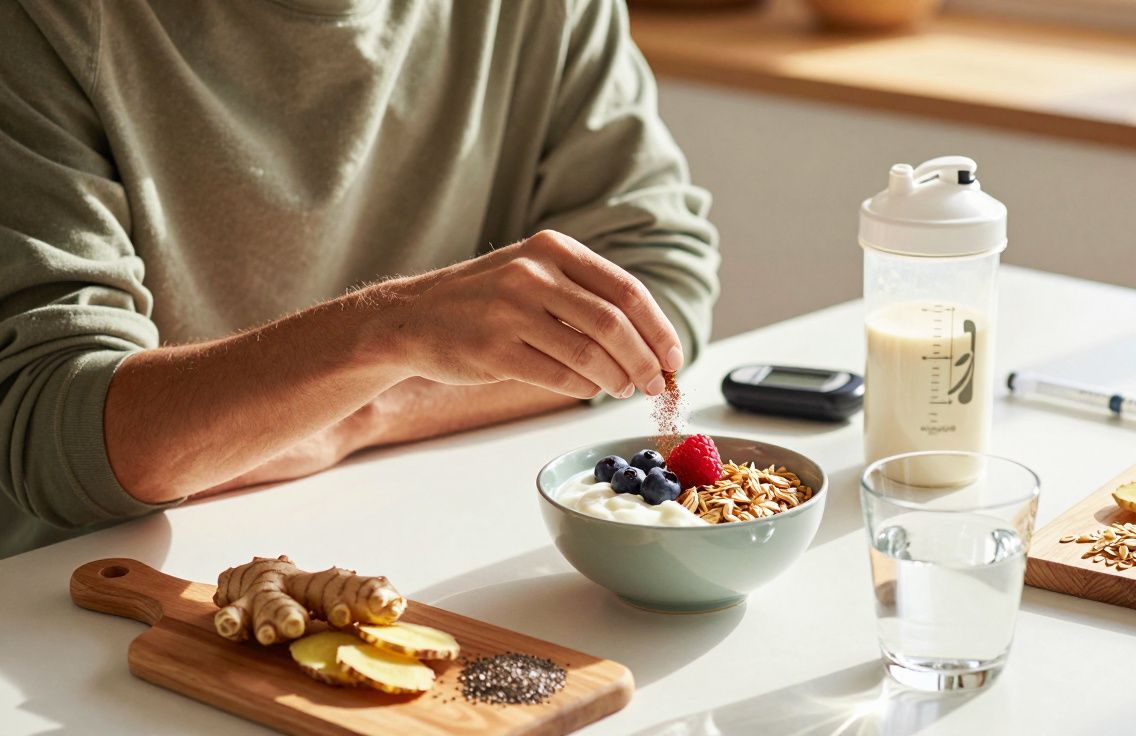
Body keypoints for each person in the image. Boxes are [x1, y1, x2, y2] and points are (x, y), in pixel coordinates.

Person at [0, 0, 720, 557]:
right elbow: (52, 434)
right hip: (89, 594)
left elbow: (658, 287)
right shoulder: (48, 22)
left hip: (412, 540)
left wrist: (363, 412)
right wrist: (389, 329)